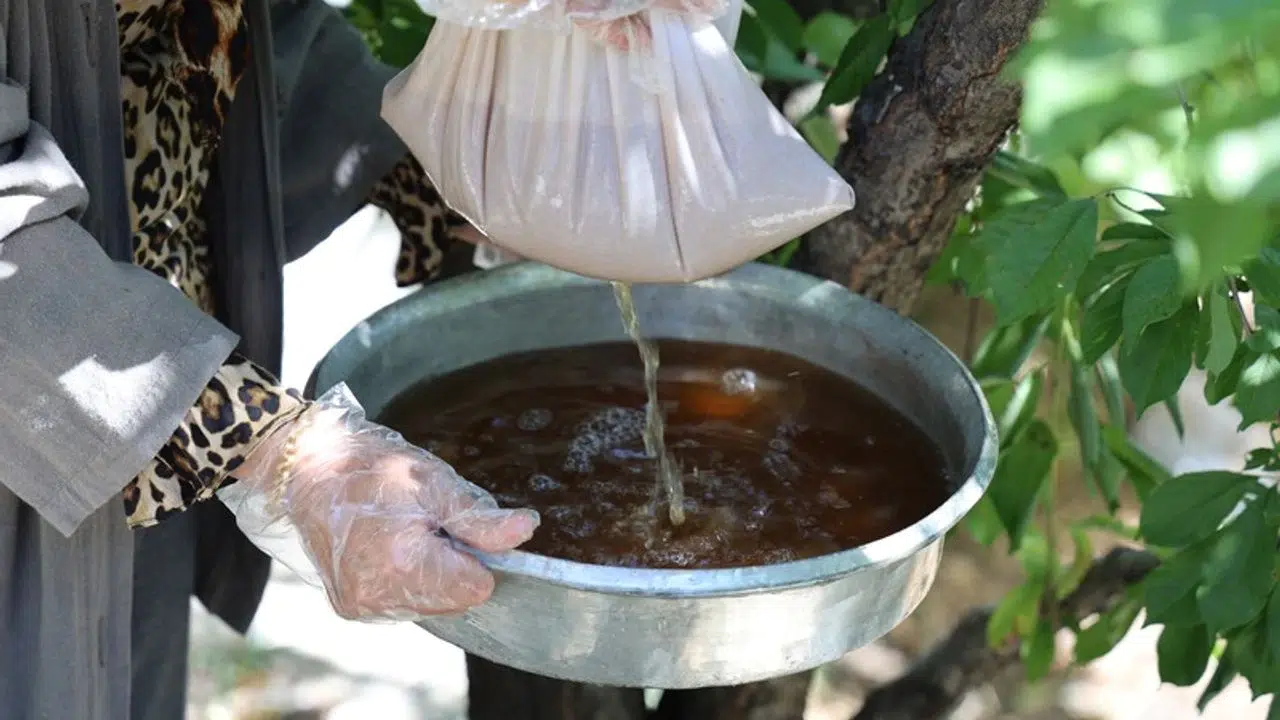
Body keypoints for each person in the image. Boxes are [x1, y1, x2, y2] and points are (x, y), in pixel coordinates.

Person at [0, 0, 540, 717]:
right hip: (56, 390)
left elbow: (254, 23)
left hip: (156, 425)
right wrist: (273, 449)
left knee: (123, 674)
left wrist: (440, 173)